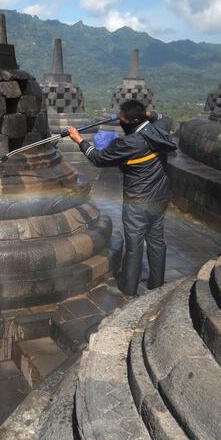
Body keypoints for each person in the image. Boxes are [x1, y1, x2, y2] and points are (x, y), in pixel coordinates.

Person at [66, 99, 177, 296]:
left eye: (122, 119)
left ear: (132, 121)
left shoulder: (129, 143)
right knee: (157, 241)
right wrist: (147, 114)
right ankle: (156, 284)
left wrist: (79, 140)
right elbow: (164, 118)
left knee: (134, 246)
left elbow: (98, 159)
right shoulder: (160, 129)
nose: (120, 121)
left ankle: (128, 288)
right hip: (160, 198)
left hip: (138, 202)